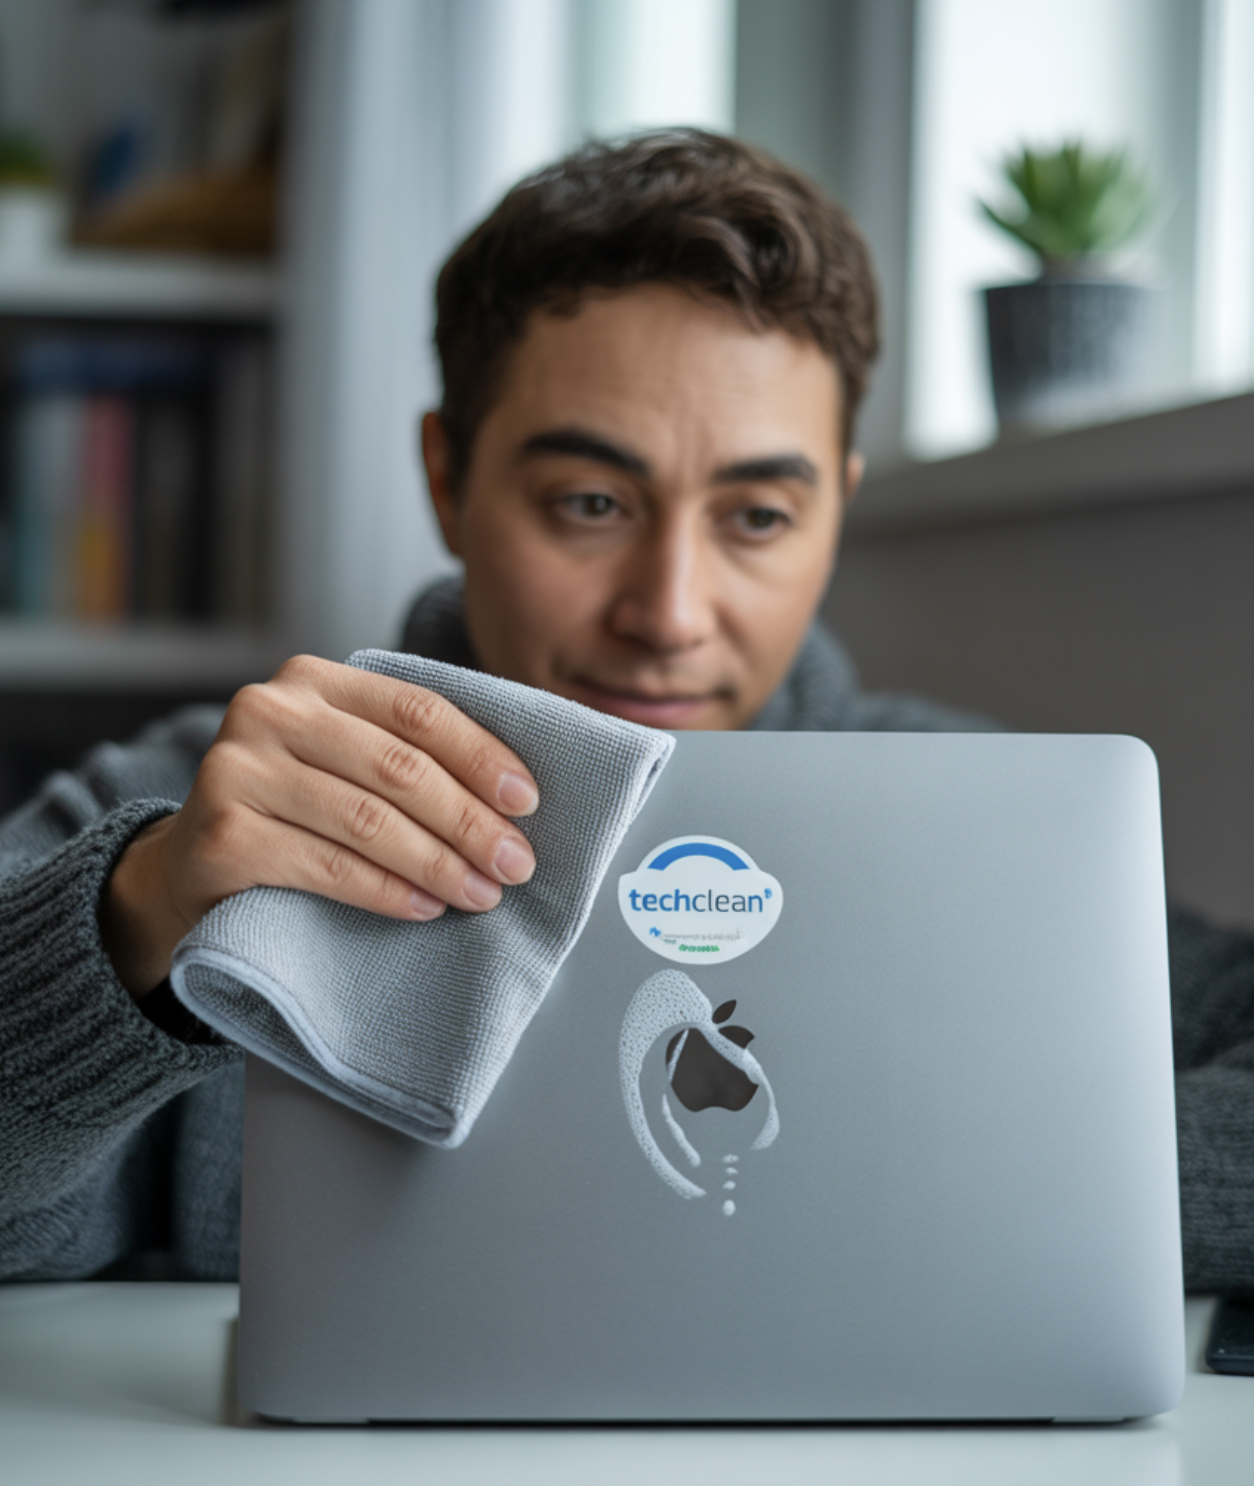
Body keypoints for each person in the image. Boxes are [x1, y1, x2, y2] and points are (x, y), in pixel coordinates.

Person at [2, 131, 1253, 1288]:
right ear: (448, 477)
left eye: (758, 516)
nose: (669, 611)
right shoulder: (200, 822)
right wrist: (131, 923)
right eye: (591, 504)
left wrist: (969, 1181)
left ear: (834, 514)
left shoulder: (985, 830)